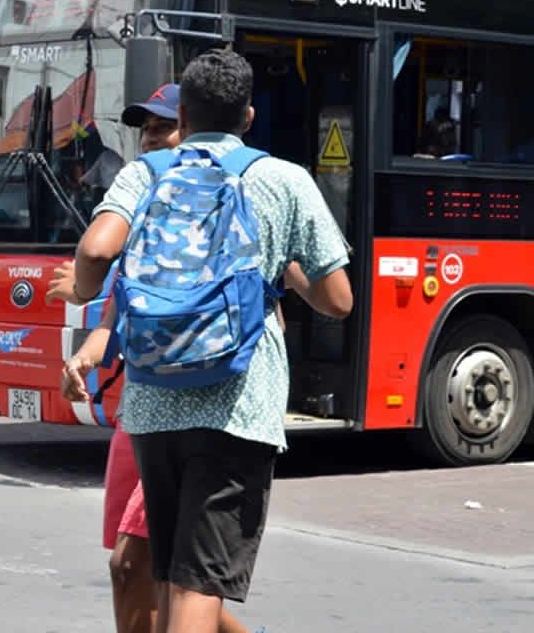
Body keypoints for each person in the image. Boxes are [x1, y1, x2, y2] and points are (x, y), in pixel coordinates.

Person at [54, 49, 352, 633]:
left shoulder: (146, 173)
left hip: (153, 402)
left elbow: (94, 250)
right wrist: (280, 269)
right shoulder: (282, 179)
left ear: (183, 116)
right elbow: (338, 300)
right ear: (248, 117)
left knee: (168, 573)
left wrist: (85, 289)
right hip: (238, 407)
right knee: (199, 585)